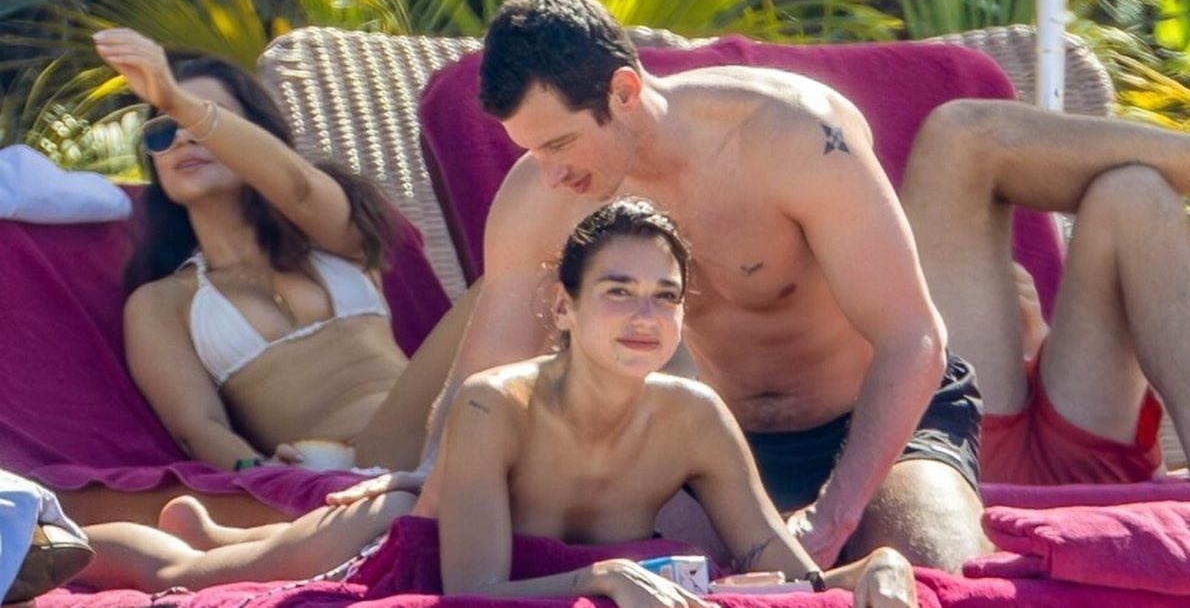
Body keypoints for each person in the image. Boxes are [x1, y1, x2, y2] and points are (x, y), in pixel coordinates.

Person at [355, 0, 990, 572]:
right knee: (647, 576)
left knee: (931, 564)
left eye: (559, 145)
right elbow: (490, 364)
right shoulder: (540, 197)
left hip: (884, 422)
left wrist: (832, 518)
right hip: (715, 444)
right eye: (531, 150)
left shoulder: (793, 136)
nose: (548, 174)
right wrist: (433, 474)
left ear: (624, 92)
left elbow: (913, 338)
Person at [77, 200, 918, 608]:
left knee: (224, 551)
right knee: (180, 577)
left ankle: (221, 533)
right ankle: (50, 537)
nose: (645, 317)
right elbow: (471, 587)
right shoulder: (494, 404)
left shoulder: (694, 416)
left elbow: (787, 571)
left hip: (537, 565)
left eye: (665, 297)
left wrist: (875, 568)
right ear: (564, 307)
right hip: (400, 543)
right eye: (618, 292)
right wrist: (600, 577)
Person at [89, 28, 472, 476]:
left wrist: (173, 97)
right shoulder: (161, 302)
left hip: (444, 425)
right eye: (163, 129)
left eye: (204, 117)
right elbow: (197, 425)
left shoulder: (331, 236)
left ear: (259, 137)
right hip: (339, 465)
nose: (182, 137)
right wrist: (262, 471)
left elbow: (298, 187)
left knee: (505, 282)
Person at [900, 99, 1190, 484]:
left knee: (1135, 192)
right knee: (960, 135)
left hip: (1075, 432)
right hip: (959, 452)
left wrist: (1038, 336)